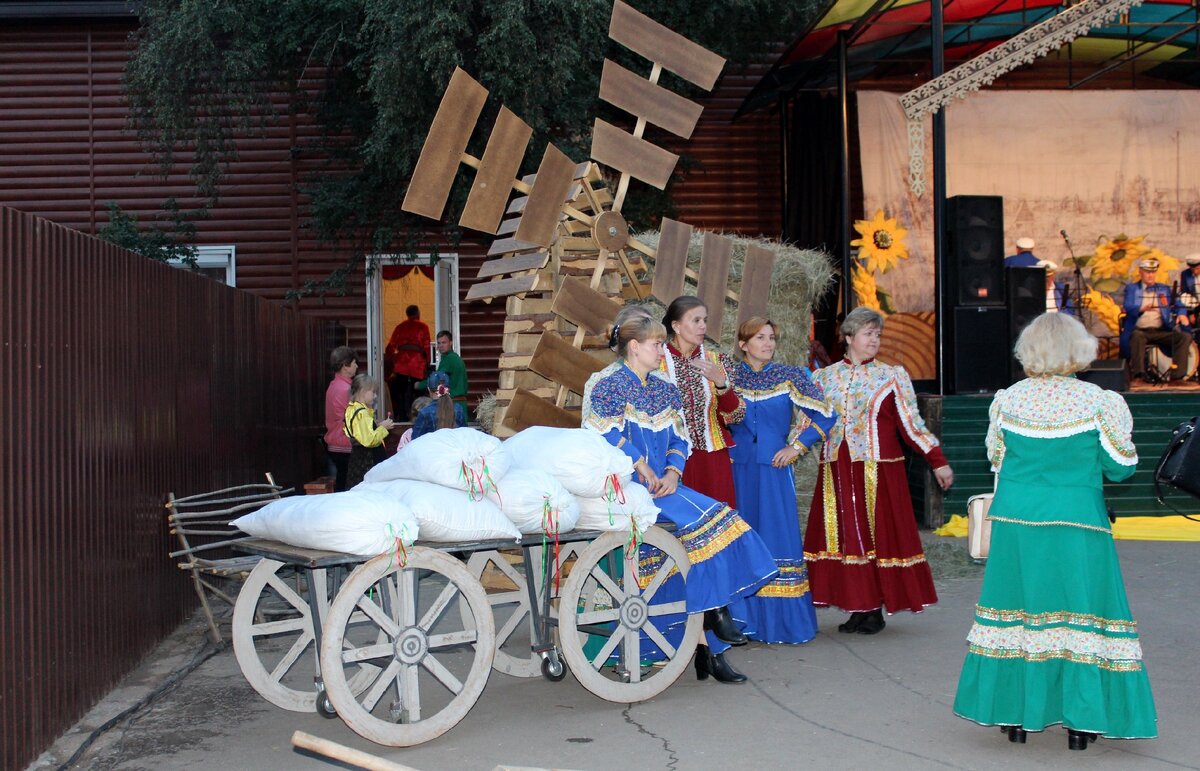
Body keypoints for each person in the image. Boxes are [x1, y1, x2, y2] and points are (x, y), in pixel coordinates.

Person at [953, 312, 1156, 749]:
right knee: (1080, 612)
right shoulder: (1100, 402)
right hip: (1077, 521)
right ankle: (1081, 722)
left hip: (1017, 524)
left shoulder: (1007, 401)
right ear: (1077, 351)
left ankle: (1015, 715)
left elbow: (997, 461)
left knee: (1020, 611)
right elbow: (1122, 469)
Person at [585, 315, 777, 684]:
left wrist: (673, 473)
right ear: (634, 347)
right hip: (626, 487)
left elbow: (679, 439)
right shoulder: (607, 385)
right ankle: (711, 621)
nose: (662, 350)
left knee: (724, 521)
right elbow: (600, 437)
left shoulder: (664, 388)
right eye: (656, 344)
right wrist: (640, 463)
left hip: (664, 485)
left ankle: (714, 615)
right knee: (697, 532)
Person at [802, 307, 953, 634]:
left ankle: (873, 610)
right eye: (869, 334)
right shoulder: (824, 378)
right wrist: (787, 450)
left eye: (878, 335)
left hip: (877, 470)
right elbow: (807, 424)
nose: (875, 340)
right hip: (837, 472)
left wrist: (937, 460)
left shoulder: (891, 376)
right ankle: (859, 606)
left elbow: (912, 425)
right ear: (849, 337)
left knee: (875, 537)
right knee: (844, 537)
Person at [729, 317, 837, 644]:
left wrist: (797, 446)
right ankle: (741, 622)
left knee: (778, 539)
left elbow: (828, 413)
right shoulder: (729, 378)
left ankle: (782, 625)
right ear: (743, 344)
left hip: (775, 471)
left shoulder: (790, 376)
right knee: (741, 541)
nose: (768, 343)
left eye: (772, 338)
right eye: (760, 338)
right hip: (737, 471)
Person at [658, 296, 754, 651]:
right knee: (687, 543)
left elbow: (737, 417)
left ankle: (718, 617)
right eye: (696, 320)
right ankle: (697, 628)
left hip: (714, 460)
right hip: (678, 463)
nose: (702, 327)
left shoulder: (715, 361)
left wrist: (722, 385)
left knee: (718, 539)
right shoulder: (658, 361)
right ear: (675, 325)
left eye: (705, 319)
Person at [1121, 258, 1190, 384]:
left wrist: (1181, 314)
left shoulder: (1163, 289)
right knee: (1137, 337)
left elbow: (1178, 303)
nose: (1150, 275)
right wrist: (1141, 308)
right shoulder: (1132, 288)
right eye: (1147, 272)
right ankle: (1138, 376)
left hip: (1160, 330)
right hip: (1140, 330)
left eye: (1153, 272)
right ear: (1140, 272)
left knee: (1184, 337)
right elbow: (1128, 305)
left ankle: (1177, 376)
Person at [343, 374, 395, 488]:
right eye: (373, 392)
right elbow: (369, 440)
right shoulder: (362, 413)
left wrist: (377, 426)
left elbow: (360, 432)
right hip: (367, 460)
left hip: (358, 457)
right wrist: (383, 428)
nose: (375, 396)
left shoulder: (352, 408)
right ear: (363, 391)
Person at [385, 305, 431, 420]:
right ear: (417, 313)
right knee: (418, 391)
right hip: (417, 364)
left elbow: (390, 346)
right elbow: (427, 346)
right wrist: (428, 361)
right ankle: (419, 415)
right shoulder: (423, 327)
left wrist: (392, 358)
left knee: (400, 392)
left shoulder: (400, 327)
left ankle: (402, 416)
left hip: (402, 364)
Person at [323, 346, 358, 491]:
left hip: (335, 442)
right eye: (354, 362)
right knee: (347, 486)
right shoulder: (345, 389)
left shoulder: (334, 385)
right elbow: (354, 418)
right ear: (345, 365)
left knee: (342, 482)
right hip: (344, 443)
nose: (356, 366)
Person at [419, 329, 469, 410]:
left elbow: (435, 380)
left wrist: (418, 385)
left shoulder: (449, 359)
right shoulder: (455, 357)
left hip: (453, 404)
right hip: (460, 403)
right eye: (439, 343)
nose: (441, 345)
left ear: (451, 343)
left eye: (444, 342)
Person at [411, 371, 467, 439]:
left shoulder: (424, 413)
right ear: (448, 389)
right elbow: (465, 436)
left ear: (428, 389)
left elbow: (415, 441)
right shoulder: (458, 409)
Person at [1180, 253, 1200, 326]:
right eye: (1192, 269)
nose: (1194, 271)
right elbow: (1184, 294)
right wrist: (1190, 312)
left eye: (1197, 268)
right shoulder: (1185, 274)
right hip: (1195, 306)